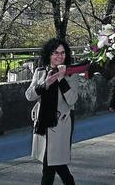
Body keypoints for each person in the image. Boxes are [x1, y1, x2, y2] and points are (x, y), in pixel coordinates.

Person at [25, 38, 78, 185]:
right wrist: (45, 84)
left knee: (50, 164)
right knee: (56, 163)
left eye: (62, 53)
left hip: (61, 123)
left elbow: (72, 100)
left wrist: (61, 80)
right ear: (49, 54)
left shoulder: (70, 74)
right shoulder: (40, 72)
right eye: (55, 53)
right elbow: (29, 95)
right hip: (44, 122)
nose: (59, 56)